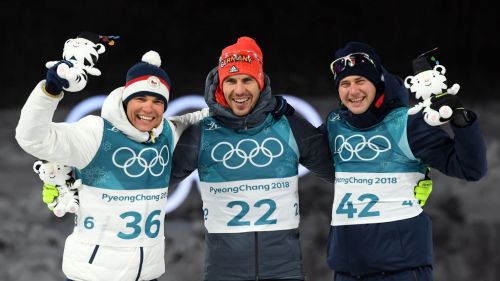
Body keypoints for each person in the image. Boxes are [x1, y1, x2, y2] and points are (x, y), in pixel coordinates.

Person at [16, 50, 207, 281]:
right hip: (93, 276)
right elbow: (31, 138)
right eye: (141, 98)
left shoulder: (166, 131)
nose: (149, 109)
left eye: (158, 101)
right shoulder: (96, 133)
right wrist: (51, 90)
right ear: (126, 99)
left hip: (147, 275)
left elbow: (197, 118)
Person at [170, 36, 335, 281]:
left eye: (247, 80)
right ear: (220, 85)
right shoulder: (202, 132)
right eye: (231, 81)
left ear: (260, 83)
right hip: (223, 273)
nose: (239, 90)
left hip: (284, 272)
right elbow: (151, 180)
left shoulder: (288, 126)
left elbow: (346, 173)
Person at [321, 41, 487, 280]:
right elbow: (297, 150)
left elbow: (471, 169)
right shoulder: (335, 126)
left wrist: (460, 119)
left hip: (401, 271)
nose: (353, 91)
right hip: (347, 271)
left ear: (377, 82)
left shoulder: (407, 124)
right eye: (344, 84)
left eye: (360, 81)